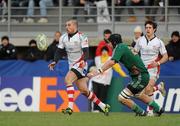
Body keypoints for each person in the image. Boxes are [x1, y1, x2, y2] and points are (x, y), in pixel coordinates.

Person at [88, 34, 164, 116]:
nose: (108, 45)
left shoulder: (119, 48)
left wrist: (97, 71)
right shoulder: (125, 46)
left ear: (114, 42)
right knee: (139, 95)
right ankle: (159, 109)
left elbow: (112, 62)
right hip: (141, 75)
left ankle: (141, 113)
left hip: (140, 76)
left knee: (121, 98)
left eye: (109, 42)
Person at [48, 19, 110, 115]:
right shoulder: (63, 38)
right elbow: (59, 51)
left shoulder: (82, 37)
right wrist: (55, 61)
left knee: (68, 79)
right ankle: (103, 106)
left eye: (69, 25)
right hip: (72, 65)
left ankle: (70, 107)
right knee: (84, 90)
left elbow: (86, 52)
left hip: (81, 64)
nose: (66, 27)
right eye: (66, 25)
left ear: (75, 26)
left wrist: (83, 61)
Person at [134, 20, 168, 116]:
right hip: (142, 68)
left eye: (150, 28)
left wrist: (157, 63)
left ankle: (150, 111)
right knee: (140, 93)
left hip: (153, 68)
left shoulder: (159, 42)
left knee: (148, 88)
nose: (148, 29)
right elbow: (135, 52)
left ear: (154, 29)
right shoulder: (140, 40)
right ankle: (159, 87)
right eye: (146, 27)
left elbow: (165, 57)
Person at [90, 45, 127, 112]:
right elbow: (91, 67)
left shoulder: (111, 59)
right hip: (95, 79)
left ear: (108, 52)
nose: (104, 52)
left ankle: (102, 109)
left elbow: (117, 68)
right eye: (103, 51)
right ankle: (95, 109)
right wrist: (91, 71)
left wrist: (123, 74)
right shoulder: (97, 58)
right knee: (95, 95)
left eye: (105, 51)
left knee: (102, 96)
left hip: (105, 81)